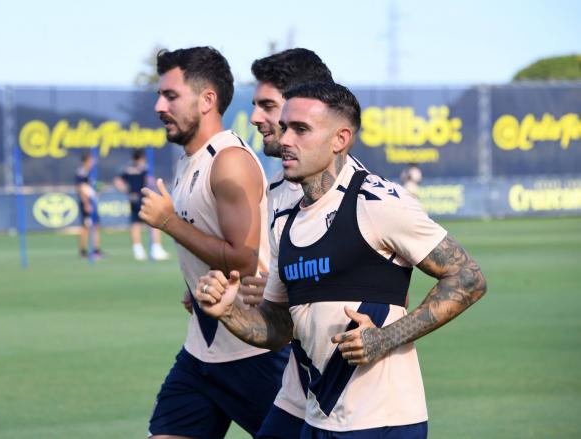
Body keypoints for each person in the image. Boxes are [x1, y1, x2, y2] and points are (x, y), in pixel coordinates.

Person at [194, 82, 487, 438]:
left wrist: (385, 338)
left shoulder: (377, 203)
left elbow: (468, 277)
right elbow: (278, 328)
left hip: (382, 422)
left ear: (340, 139)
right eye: (285, 127)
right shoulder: (285, 218)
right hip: (318, 418)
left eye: (301, 129)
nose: (286, 139)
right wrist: (228, 311)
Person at [139, 46, 287, 439]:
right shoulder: (191, 159)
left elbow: (243, 257)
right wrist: (196, 284)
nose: (159, 105)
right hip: (201, 353)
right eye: (160, 94)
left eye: (170, 95)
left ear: (207, 100)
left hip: (253, 354)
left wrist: (167, 221)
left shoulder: (229, 161)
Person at [245, 48, 367, 439]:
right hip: (296, 391)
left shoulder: (367, 199)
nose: (256, 118)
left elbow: (381, 294)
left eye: (268, 106)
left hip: (349, 403)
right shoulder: (280, 190)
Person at [113, 149, 169, 261]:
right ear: (142, 157)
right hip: (144, 198)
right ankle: (156, 248)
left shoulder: (127, 169)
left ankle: (138, 250)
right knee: (155, 222)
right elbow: (150, 181)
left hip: (133, 198)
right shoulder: (145, 168)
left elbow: (117, 181)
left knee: (135, 224)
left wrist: (126, 190)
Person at [75, 151, 102, 259]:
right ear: (86, 161)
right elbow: (81, 189)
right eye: (91, 160)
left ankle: (96, 250)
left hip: (91, 202)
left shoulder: (89, 172)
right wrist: (86, 204)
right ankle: (83, 251)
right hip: (87, 203)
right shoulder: (82, 172)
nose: (93, 162)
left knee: (95, 226)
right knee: (86, 227)